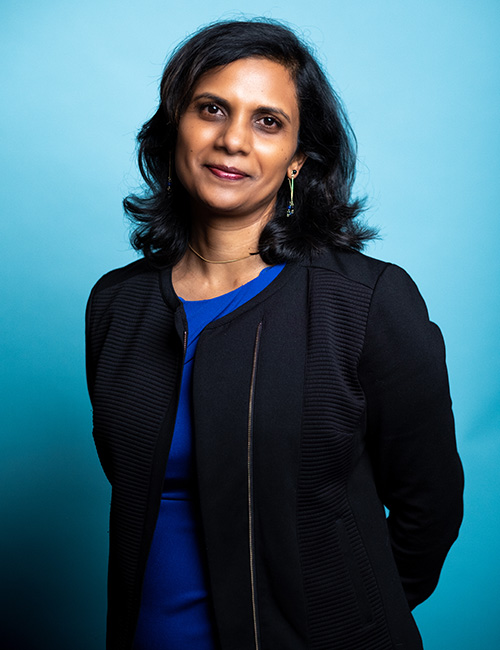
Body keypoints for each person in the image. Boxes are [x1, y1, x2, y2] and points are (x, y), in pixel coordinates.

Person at [86, 19, 464, 650]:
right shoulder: (117, 305)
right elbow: (132, 483)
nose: (233, 140)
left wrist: (346, 618)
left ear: (297, 160)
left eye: (267, 121)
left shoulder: (366, 300)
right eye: (211, 109)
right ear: (175, 126)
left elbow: (430, 508)